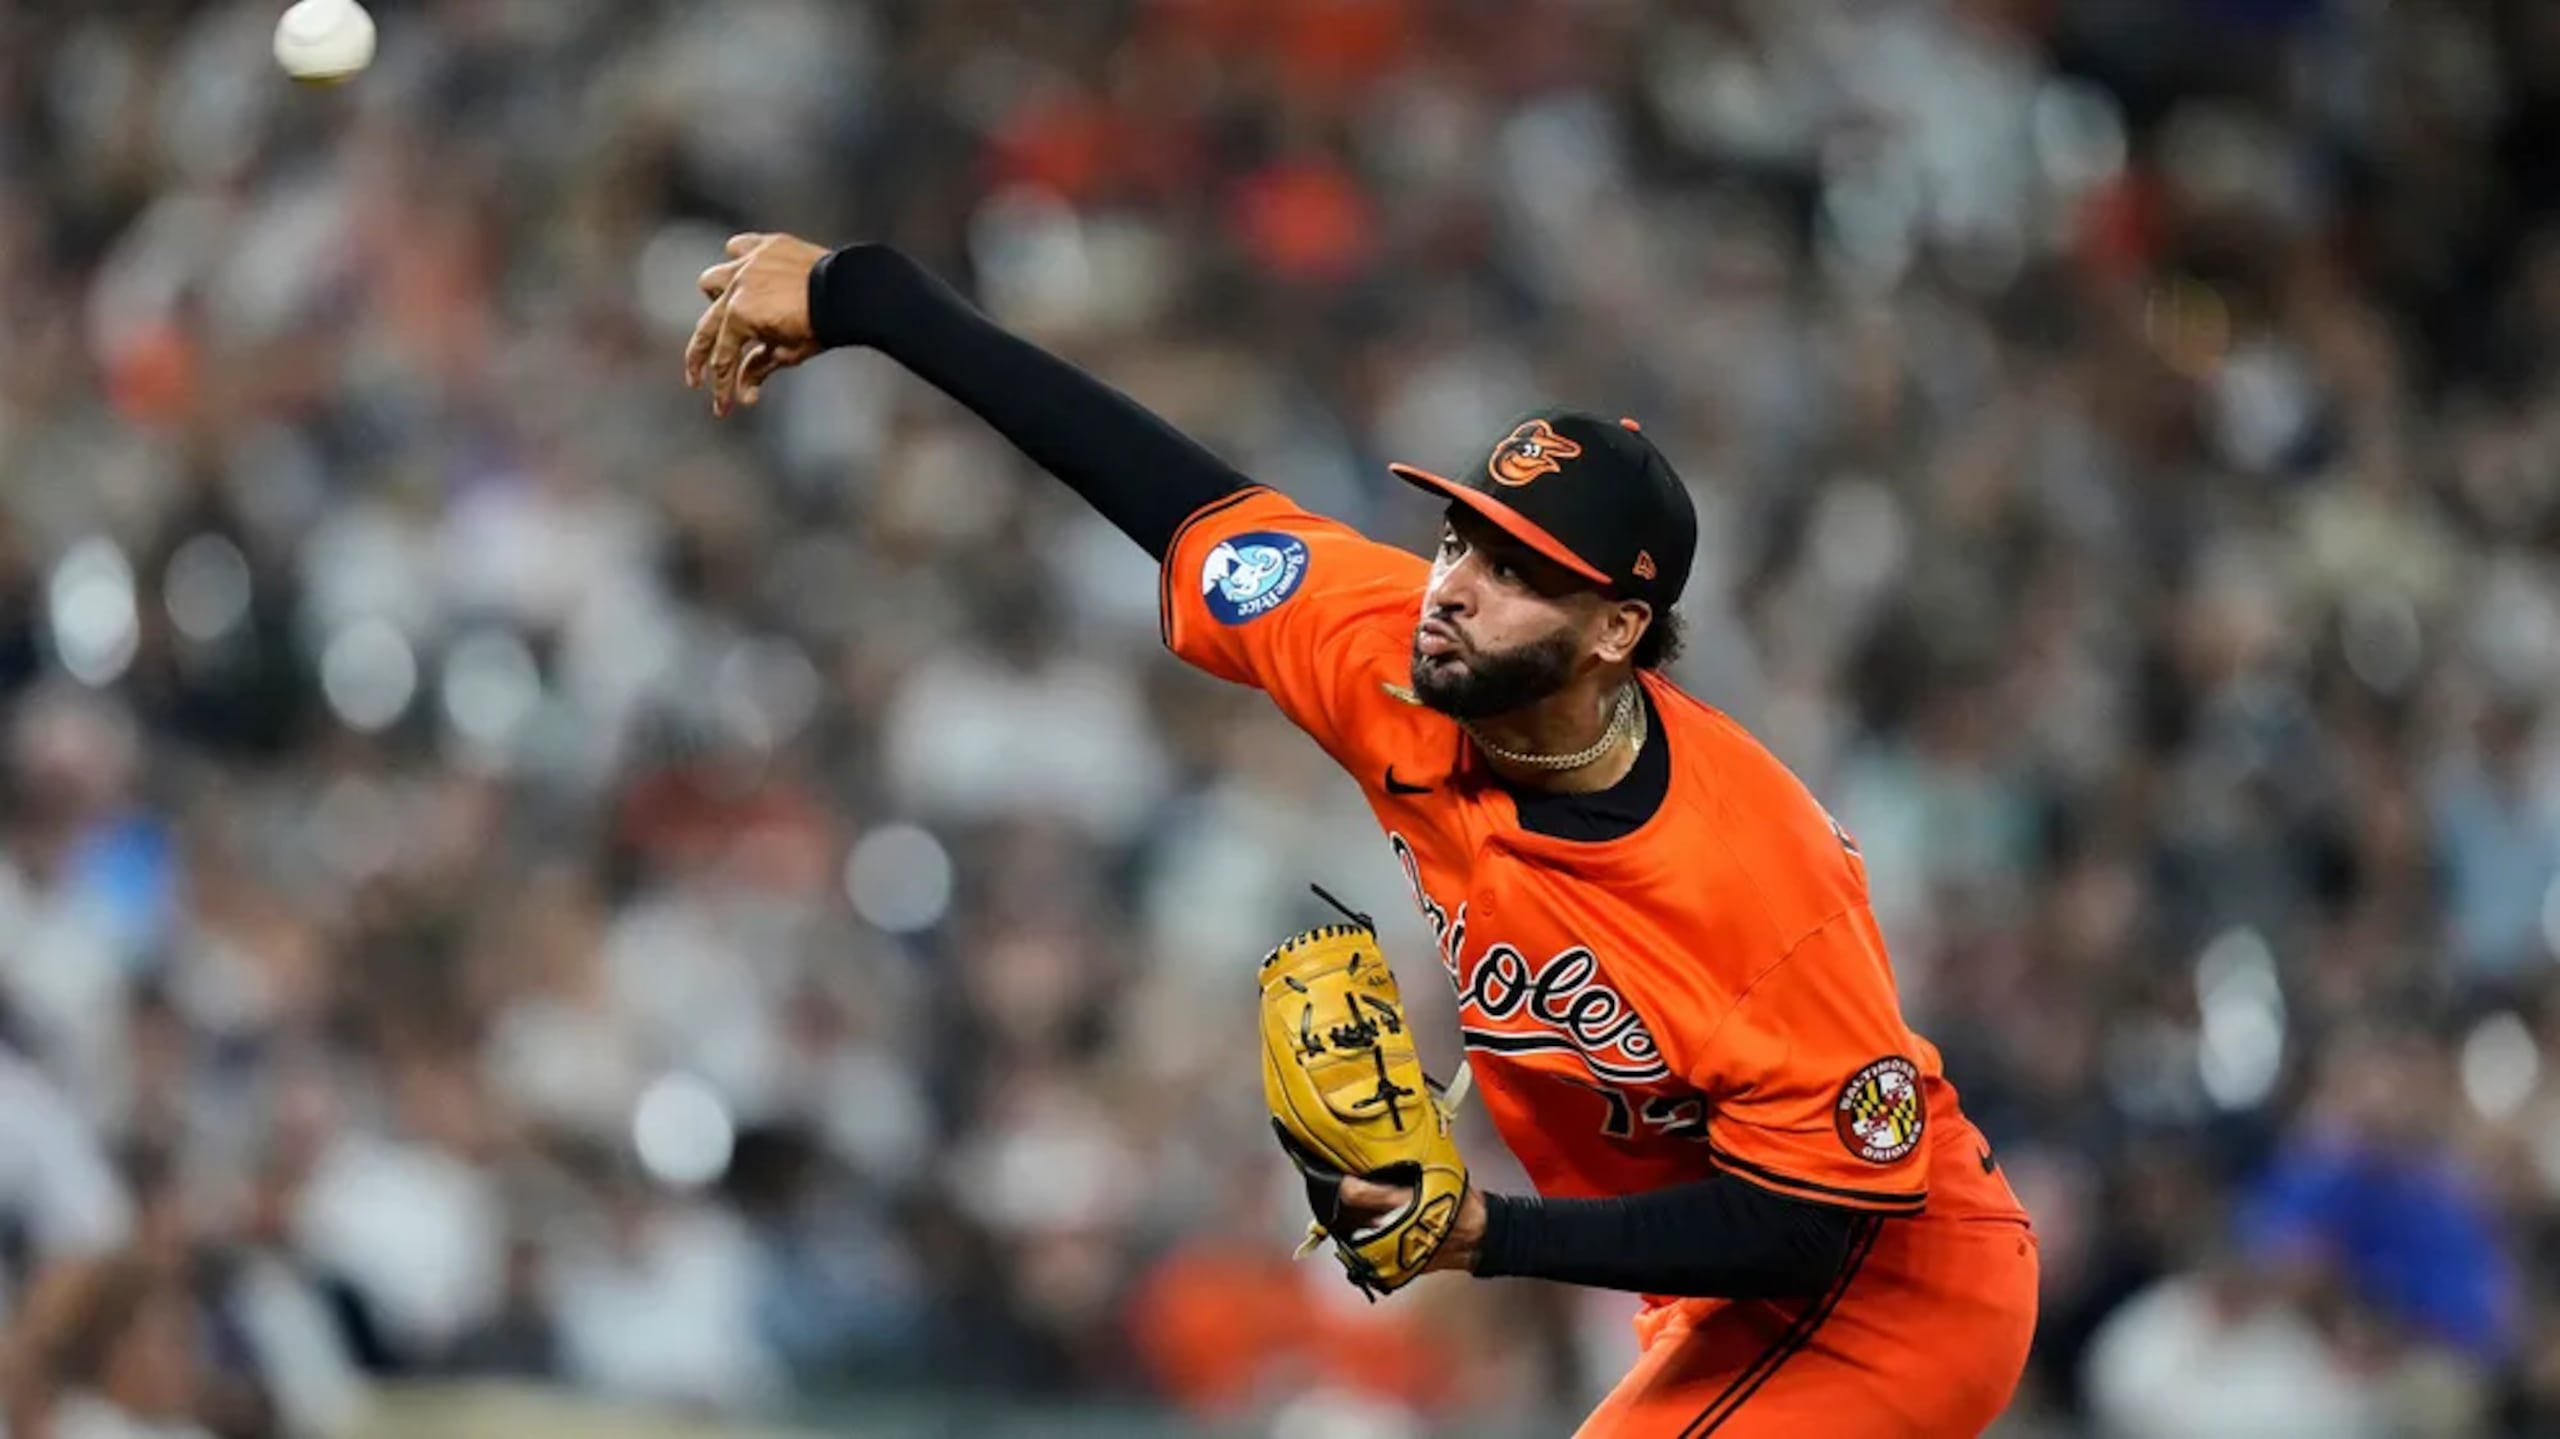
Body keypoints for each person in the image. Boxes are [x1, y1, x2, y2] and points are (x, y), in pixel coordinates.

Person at [686, 235, 2039, 1437]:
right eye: (1461, 537)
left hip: (1893, 1290)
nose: (1454, 588)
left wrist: (1487, 1233)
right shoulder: (1388, 655)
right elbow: (1172, 494)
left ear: (1617, 632)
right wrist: (873, 298)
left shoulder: (1753, 877)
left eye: (1516, 573)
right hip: (1715, 1300)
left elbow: (1816, 1223)